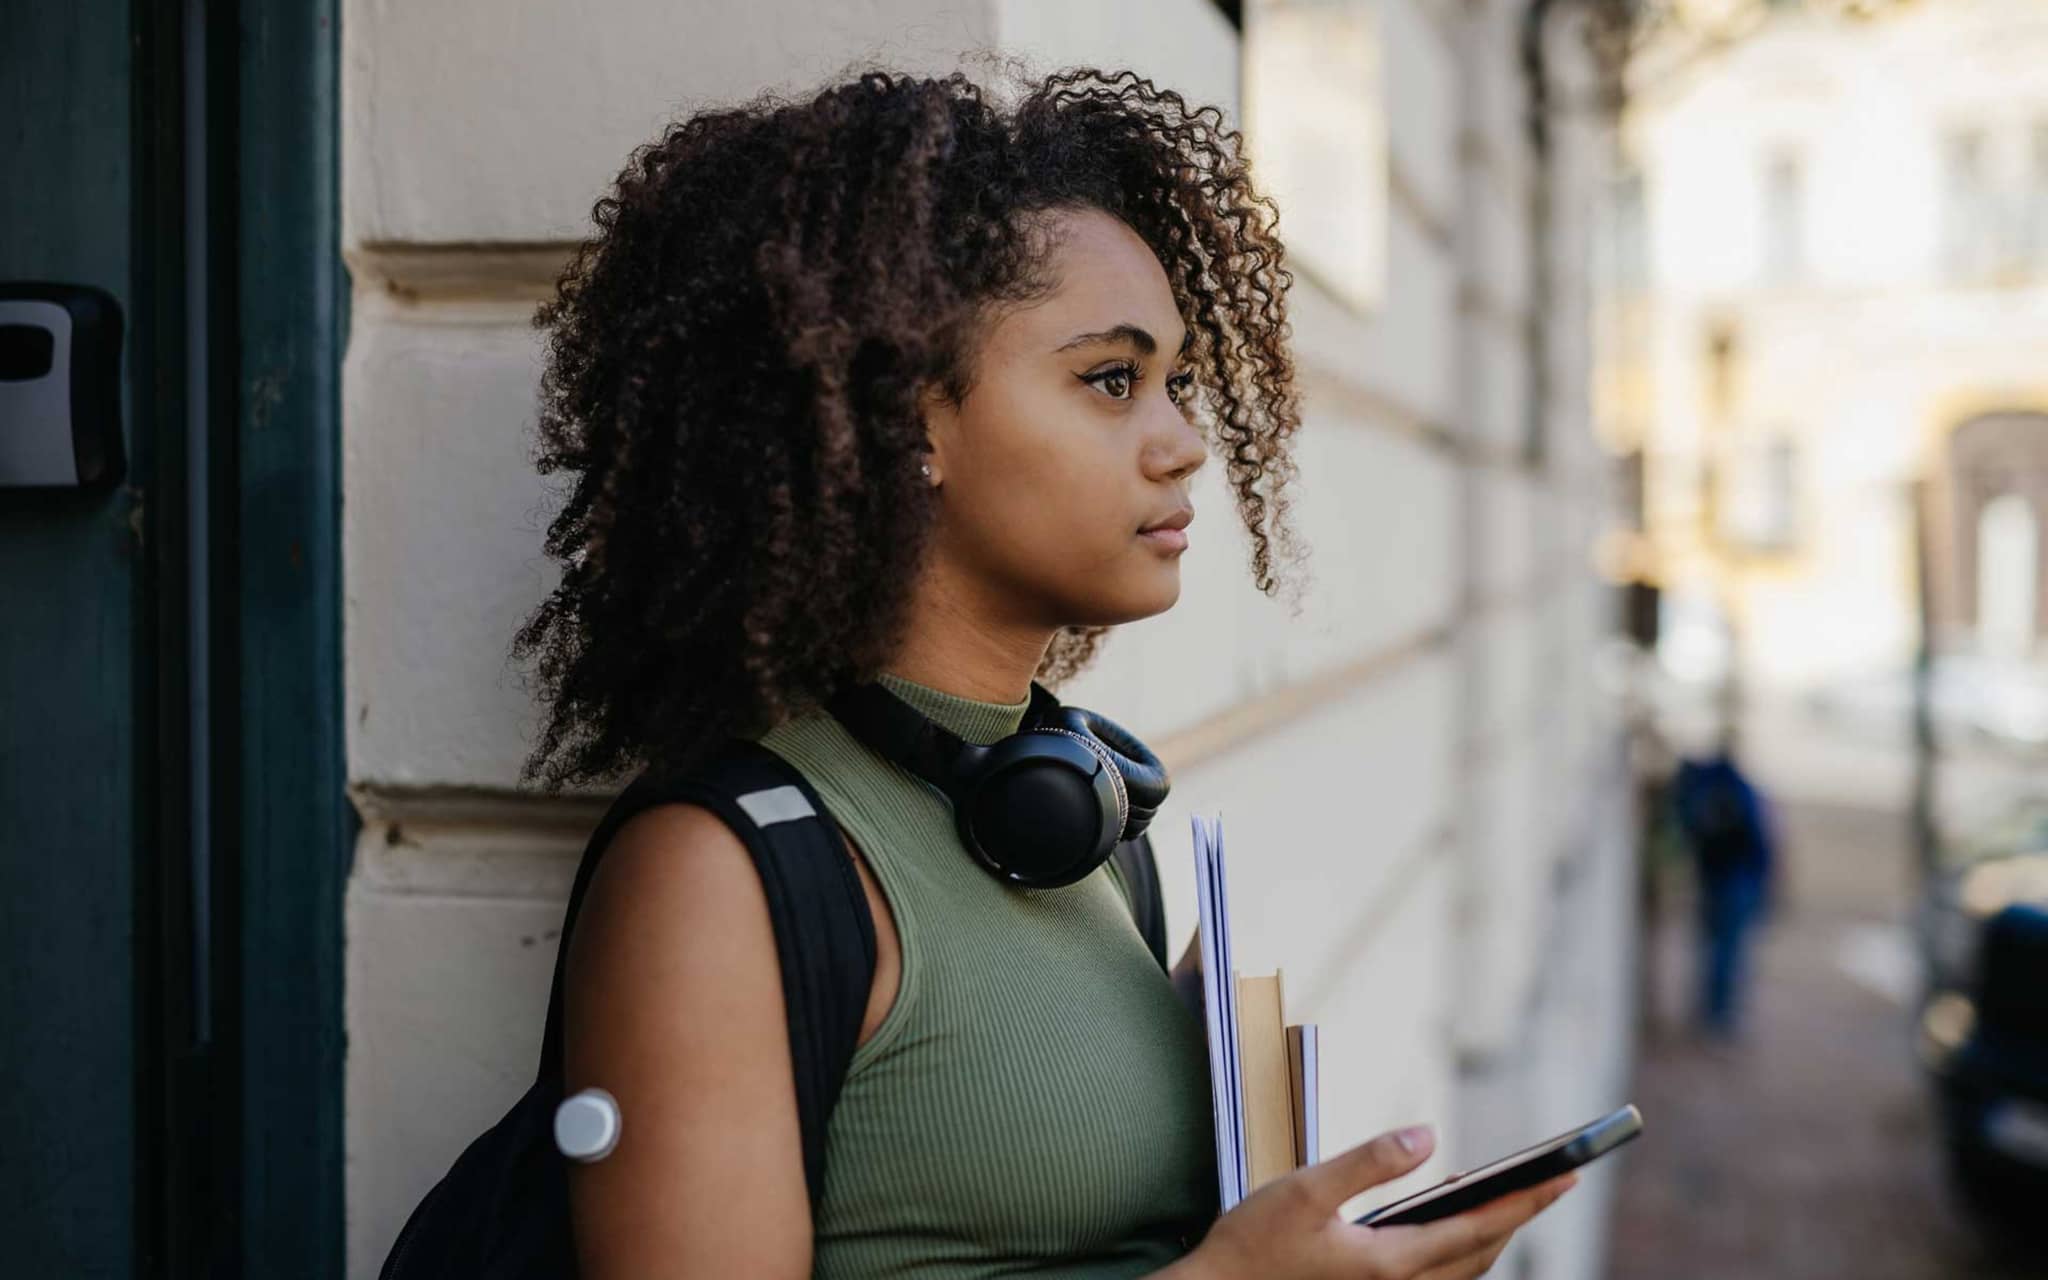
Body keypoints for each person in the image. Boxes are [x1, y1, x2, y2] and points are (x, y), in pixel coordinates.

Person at [509, 64, 1576, 1278]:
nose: (1182, 444)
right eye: (1110, 380)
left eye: (1176, 383)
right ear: (910, 422)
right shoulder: (724, 872)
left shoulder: (1080, 821)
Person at [1669, 746, 1777, 1039]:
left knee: (1719, 951)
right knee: (1725, 952)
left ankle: (1714, 1015)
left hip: (1726, 881)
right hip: (1733, 882)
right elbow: (1761, 843)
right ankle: (1717, 1016)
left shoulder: (1706, 792)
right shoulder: (1734, 789)